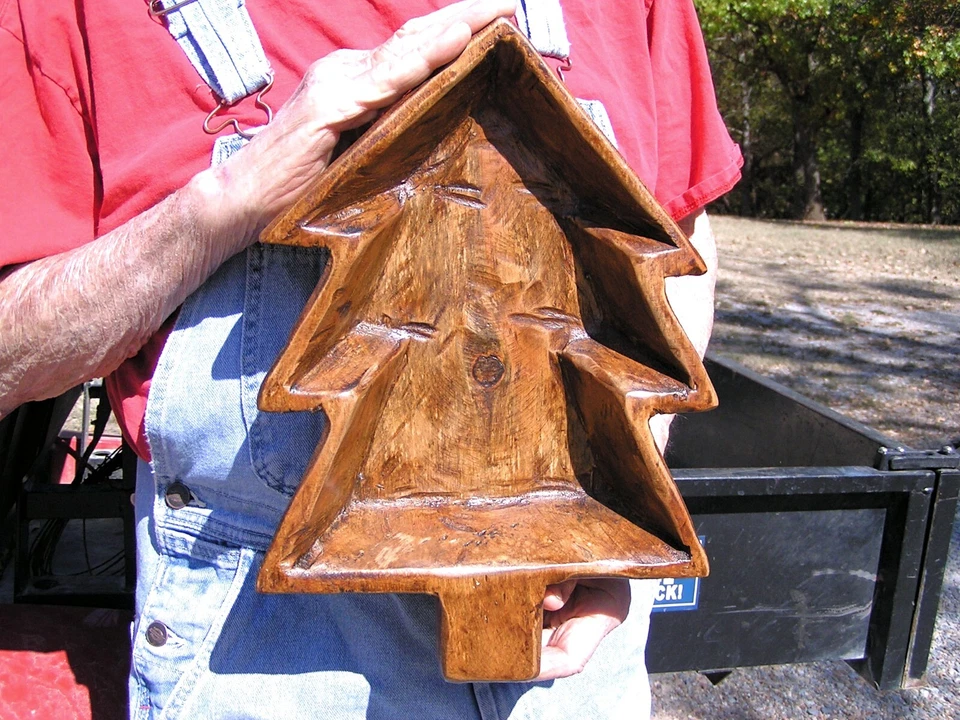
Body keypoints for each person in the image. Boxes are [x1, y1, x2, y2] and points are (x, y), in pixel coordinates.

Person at [0, 0, 741, 717]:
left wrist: (616, 491)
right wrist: (230, 200)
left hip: (570, 657)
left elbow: (678, 238)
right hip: (269, 661)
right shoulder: (79, 13)